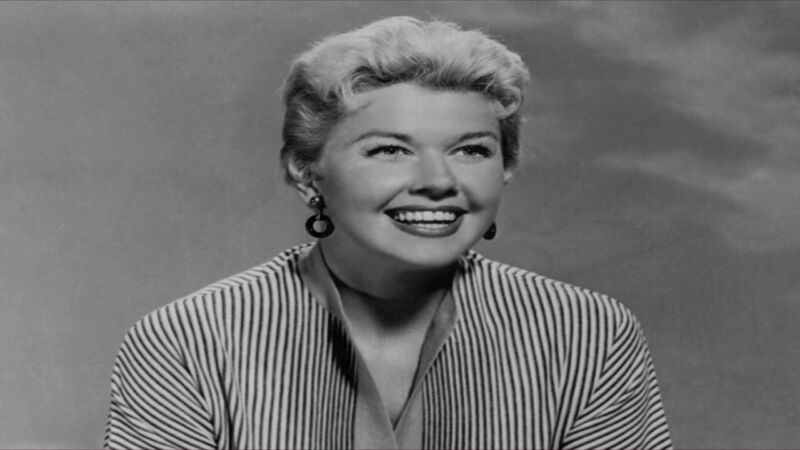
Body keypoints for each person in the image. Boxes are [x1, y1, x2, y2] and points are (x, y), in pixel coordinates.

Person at [104, 16, 672, 450]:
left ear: (506, 168)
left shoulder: (588, 334)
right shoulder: (188, 341)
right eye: (390, 150)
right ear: (307, 171)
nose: (438, 182)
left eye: (471, 150)